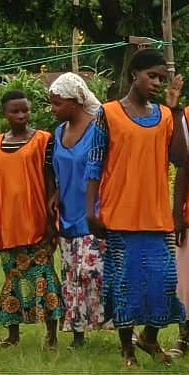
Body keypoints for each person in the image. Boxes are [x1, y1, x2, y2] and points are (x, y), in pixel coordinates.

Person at [85, 48, 186, 367]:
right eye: (151, 76)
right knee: (124, 284)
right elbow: (94, 162)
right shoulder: (108, 113)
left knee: (165, 282)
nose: (157, 83)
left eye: (161, 78)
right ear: (134, 74)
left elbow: (181, 157)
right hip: (120, 214)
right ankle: (127, 349)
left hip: (156, 216)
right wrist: (90, 210)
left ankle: (150, 337)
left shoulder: (164, 116)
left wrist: (175, 109)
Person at [0, 89, 63, 349]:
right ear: (4, 114)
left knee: (44, 277)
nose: (21, 115)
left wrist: (51, 221)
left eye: (25, 110)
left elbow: (50, 179)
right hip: (8, 223)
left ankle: (51, 335)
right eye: (15, 111)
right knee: (13, 277)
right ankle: (13, 335)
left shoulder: (43, 140)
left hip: (36, 221)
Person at [49, 73, 106, 349]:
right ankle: (77, 334)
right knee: (71, 275)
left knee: (94, 272)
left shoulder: (98, 131)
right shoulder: (58, 133)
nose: (52, 109)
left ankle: (122, 327)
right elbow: (61, 170)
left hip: (93, 214)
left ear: (74, 102)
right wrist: (56, 193)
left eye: (57, 103)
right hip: (67, 214)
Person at [170, 105, 189, 358]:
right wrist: (177, 215)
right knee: (185, 282)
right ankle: (185, 338)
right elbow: (183, 165)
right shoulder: (186, 116)